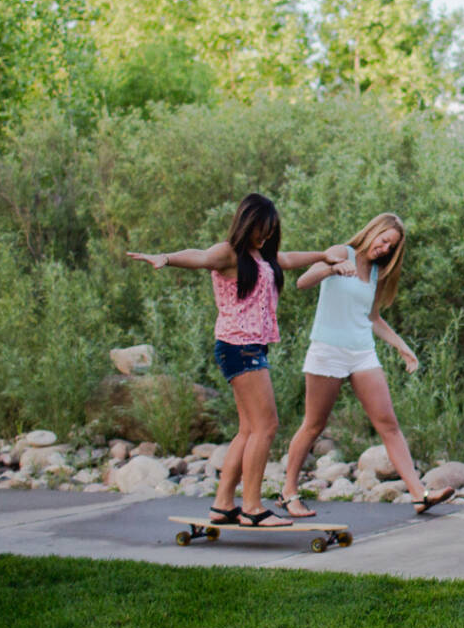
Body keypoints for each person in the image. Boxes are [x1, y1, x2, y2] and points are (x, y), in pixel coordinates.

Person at [126, 194, 345, 528]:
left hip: (250, 348)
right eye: (260, 229)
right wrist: (166, 258)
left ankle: (223, 505)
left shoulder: (265, 255)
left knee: (248, 429)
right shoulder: (228, 252)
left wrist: (323, 255)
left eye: (270, 231)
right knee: (266, 425)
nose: (265, 237)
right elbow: (199, 257)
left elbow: (287, 258)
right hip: (239, 347)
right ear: (247, 223)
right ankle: (253, 508)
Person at [277, 212, 455, 517]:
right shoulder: (340, 252)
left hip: (361, 352)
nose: (385, 249)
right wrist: (332, 268)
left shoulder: (375, 272)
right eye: (384, 240)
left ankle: (419, 494)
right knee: (314, 425)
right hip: (327, 350)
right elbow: (302, 282)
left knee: (389, 424)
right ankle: (288, 493)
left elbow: (372, 319)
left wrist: (402, 348)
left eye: (392, 247)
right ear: (372, 232)